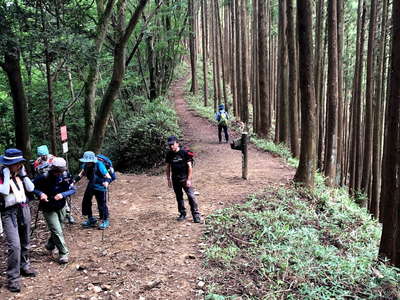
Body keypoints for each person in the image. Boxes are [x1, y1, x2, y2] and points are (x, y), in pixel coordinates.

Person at [0, 148, 36, 293]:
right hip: (8, 212)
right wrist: (7, 174)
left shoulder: (20, 173)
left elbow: (31, 188)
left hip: (24, 207)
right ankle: (13, 278)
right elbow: (2, 191)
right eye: (16, 163)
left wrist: (24, 174)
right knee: (15, 245)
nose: (19, 165)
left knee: (25, 240)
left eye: (20, 163)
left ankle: (24, 266)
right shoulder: (2, 174)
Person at [33, 157, 75, 264]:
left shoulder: (66, 176)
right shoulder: (43, 177)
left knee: (59, 229)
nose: (58, 173)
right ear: (52, 168)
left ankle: (50, 245)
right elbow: (31, 187)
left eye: (60, 171)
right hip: (48, 207)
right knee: (57, 230)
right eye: (57, 171)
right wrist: (40, 194)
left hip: (61, 206)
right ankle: (63, 253)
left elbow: (73, 189)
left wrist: (63, 194)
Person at [34, 145, 75, 224]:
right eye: (42, 156)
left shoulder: (53, 159)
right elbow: (36, 172)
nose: (44, 157)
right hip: (46, 181)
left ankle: (68, 214)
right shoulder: (37, 162)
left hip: (58, 181)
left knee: (61, 196)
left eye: (45, 155)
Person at [165, 136, 201, 223]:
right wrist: (169, 180)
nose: (171, 146)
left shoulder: (184, 153)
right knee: (179, 197)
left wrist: (189, 179)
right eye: (169, 145)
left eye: (172, 144)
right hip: (175, 179)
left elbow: (189, 167)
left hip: (184, 178)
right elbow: (168, 167)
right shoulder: (169, 154)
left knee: (191, 196)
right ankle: (182, 214)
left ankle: (196, 215)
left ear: (177, 143)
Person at [75, 151, 112, 230]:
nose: (87, 162)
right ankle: (90, 219)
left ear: (92, 160)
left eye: (88, 161)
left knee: (101, 204)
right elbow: (81, 174)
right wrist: (73, 181)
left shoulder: (99, 164)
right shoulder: (85, 165)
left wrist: (106, 182)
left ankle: (105, 220)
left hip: (100, 186)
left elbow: (108, 176)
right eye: (86, 161)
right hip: (91, 185)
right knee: (86, 201)